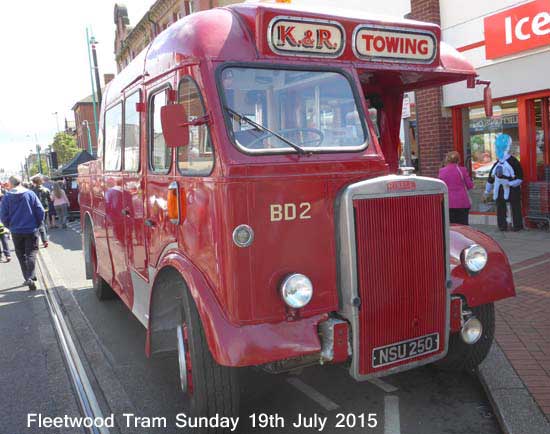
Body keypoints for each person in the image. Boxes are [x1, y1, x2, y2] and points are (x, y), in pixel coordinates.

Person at [0, 175, 44, 290]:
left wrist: (9, 226)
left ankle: (27, 277)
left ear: (11, 184)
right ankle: (31, 276)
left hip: (16, 230)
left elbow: (3, 215)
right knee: (31, 253)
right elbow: (40, 210)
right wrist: (38, 224)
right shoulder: (30, 194)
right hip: (31, 228)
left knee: (21, 255)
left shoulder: (7, 197)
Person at [484, 134, 524, 231]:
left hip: (510, 189)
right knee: (507, 207)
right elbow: (491, 178)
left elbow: (519, 178)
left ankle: (511, 226)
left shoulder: (511, 162)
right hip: (505, 190)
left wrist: (487, 191)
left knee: (511, 207)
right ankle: (509, 226)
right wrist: (487, 191)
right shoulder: (513, 161)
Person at [438, 151, 474, 225]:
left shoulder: (442, 171)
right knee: (463, 226)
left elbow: (440, 187)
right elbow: (470, 186)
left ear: (447, 160)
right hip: (462, 202)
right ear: (458, 160)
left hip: (448, 202)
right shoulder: (462, 170)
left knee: (451, 226)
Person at [30, 175, 50, 247]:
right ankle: (45, 237)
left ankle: (44, 240)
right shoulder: (46, 189)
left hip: (37, 209)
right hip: (45, 207)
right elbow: (49, 199)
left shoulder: (32, 191)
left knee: (40, 224)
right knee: (44, 222)